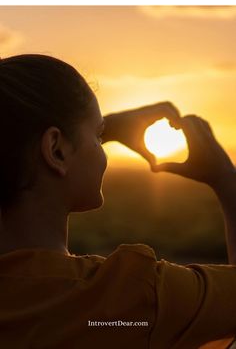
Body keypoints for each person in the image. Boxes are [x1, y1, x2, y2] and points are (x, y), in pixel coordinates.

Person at [0, 53, 235, 349]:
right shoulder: (131, 297)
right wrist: (227, 180)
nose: (102, 149)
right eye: (98, 136)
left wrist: (100, 127)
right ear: (56, 150)